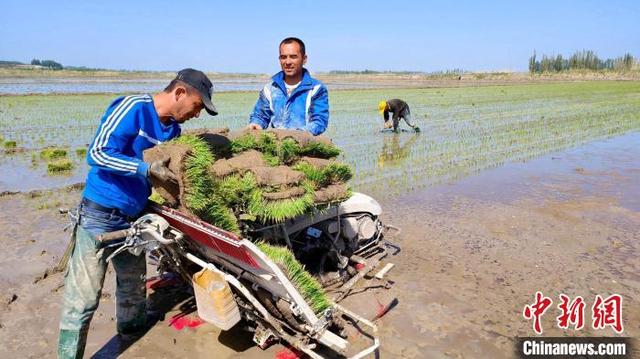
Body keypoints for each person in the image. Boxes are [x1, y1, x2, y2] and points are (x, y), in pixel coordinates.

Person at [58, 68, 218, 359]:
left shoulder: (172, 130)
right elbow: (97, 153)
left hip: (134, 218)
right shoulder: (133, 108)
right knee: (83, 299)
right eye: (197, 106)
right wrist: (144, 168)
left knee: (133, 289)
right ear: (180, 93)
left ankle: (130, 341)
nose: (197, 114)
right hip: (98, 215)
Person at [247, 37, 329, 135]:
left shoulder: (316, 89)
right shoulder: (269, 89)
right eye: (283, 57)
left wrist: (297, 135)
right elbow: (260, 116)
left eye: (293, 57)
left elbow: (319, 122)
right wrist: (256, 124)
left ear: (304, 59)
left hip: (304, 143)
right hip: (276, 143)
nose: (288, 62)